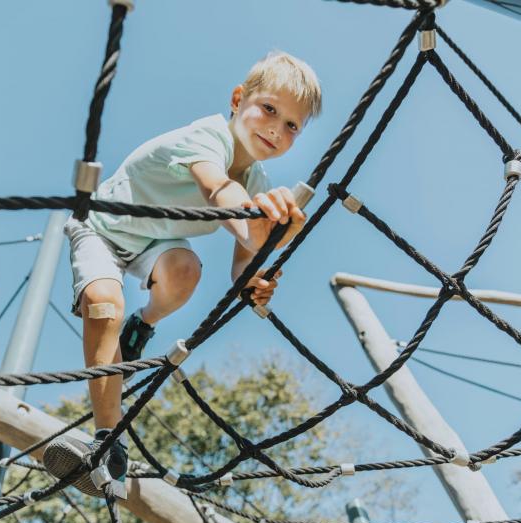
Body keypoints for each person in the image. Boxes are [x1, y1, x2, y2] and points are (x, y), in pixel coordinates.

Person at [43, 50, 322, 496]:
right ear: (237, 100)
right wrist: (262, 225)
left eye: (292, 125)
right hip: (102, 226)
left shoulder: (258, 183)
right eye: (269, 109)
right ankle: (106, 439)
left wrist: (257, 276)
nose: (276, 127)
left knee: (186, 271)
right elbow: (217, 189)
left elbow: (243, 261)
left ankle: (142, 326)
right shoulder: (207, 138)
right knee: (102, 302)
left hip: (154, 242)